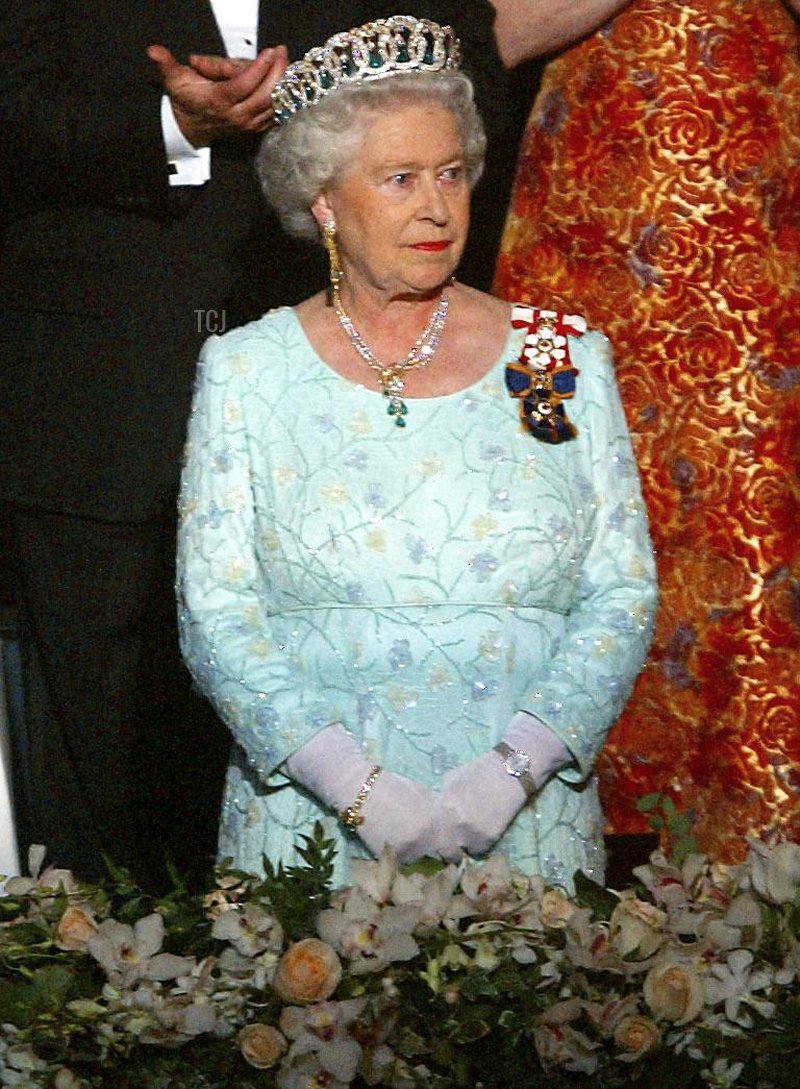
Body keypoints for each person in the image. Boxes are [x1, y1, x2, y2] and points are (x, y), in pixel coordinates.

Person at [0, 1, 508, 887]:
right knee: (107, 777)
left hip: (338, 365)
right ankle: (120, 1005)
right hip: (105, 387)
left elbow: (467, 53)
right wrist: (167, 122)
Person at [176, 15, 657, 889]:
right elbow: (216, 613)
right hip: (311, 827)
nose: (436, 207)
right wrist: (355, 787)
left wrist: (511, 771)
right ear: (324, 199)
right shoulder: (246, 367)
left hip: (526, 822)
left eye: (451, 173)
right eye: (399, 178)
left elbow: (621, 590)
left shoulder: (553, 356)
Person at [493, 0, 800, 859]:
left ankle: (756, 860)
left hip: (750, 187)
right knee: (563, 493)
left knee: (747, 516)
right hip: (585, 201)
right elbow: (496, 32)